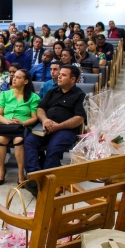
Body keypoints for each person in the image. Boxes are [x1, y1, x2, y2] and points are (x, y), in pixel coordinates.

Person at [23, 65, 86, 197]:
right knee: (29, 142)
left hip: (65, 130)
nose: (59, 76)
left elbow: (79, 118)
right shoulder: (52, 91)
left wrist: (59, 126)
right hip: (46, 126)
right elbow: (40, 109)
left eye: (63, 75)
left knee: (54, 147)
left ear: (73, 79)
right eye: (60, 74)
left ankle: (48, 183)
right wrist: (45, 120)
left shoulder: (79, 95)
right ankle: (35, 177)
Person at [0, 69, 40, 185]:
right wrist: (7, 122)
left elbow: (35, 118)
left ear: (26, 81)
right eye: (14, 76)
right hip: (6, 126)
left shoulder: (33, 97)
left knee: (19, 140)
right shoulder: (4, 94)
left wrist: (22, 123)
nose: (14, 78)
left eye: (18, 77)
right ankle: (1, 170)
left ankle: (20, 173)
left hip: (22, 128)